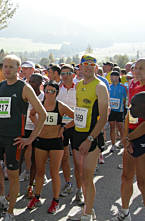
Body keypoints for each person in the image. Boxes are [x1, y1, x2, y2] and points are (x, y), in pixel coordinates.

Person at [0, 55, 47, 221]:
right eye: (5, 66)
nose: (7, 69)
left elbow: (43, 114)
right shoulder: (0, 86)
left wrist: (30, 139)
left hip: (14, 139)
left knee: (12, 176)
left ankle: (10, 212)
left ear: (18, 70)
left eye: (11, 67)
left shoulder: (24, 88)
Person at [68, 55, 109, 221]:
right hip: (78, 134)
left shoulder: (100, 87)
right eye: (84, 65)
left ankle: (87, 214)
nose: (87, 68)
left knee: (87, 175)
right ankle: (88, 209)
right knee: (82, 175)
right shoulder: (78, 85)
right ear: (79, 68)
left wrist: (90, 139)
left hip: (92, 137)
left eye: (91, 65)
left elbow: (104, 117)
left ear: (96, 68)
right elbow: (79, 112)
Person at [27, 81, 74, 214]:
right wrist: (38, 125)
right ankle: (37, 197)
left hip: (56, 143)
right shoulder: (40, 104)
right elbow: (31, 114)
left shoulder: (61, 106)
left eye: (52, 91)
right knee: (40, 171)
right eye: (46, 91)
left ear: (56, 93)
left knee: (54, 173)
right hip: (41, 141)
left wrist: (64, 128)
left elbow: (76, 117)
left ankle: (55, 200)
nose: (48, 94)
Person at [111, 58, 145, 221]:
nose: (137, 71)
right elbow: (129, 114)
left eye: (141, 68)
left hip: (142, 136)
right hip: (131, 135)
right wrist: (125, 137)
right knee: (126, 176)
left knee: (142, 182)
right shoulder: (132, 85)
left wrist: (129, 137)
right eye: (135, 68)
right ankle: (124, 213)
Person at [56, 64, 84, 204]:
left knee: (78, 163)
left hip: (76, 127)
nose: (65, 76)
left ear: (73, 74)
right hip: (61, 127)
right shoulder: (57, 89)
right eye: (63, 73)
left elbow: (81, 112)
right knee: (64, 158)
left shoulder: (79, 87)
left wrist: (68, 125)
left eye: (68, 73)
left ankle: (80, 190)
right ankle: (68, 184)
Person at [23, 73, 44, 199]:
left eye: (34, 82)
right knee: (19, 157)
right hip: (24, 128)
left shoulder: (44, 97)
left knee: (35, 159)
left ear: (40, 84)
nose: (30, 83)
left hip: (37, 129)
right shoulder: (25, 95)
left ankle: (31, 185)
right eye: (30, 81)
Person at [108, 71, 127, 152]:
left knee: (121, 127)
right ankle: (113, 145)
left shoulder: (123, 87)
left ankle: (124, 144)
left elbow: (125, 99)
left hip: (120, 110)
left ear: (118, 77)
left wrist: (122, 106)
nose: (112, 78)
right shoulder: (109, 87)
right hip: (111, 110)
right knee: (112, 127)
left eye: (114, 76)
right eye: (111, 77)